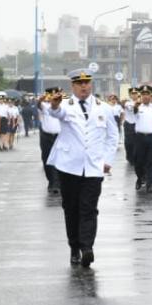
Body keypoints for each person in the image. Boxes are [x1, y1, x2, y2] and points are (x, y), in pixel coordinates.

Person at [44, 69, 120, 267]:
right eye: (80, 83)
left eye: (87, 83)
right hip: (69, 166)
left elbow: (113, 136)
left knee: (89, 208)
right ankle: (74, 247)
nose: (84, 86)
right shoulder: (66, 106)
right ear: (73, 86)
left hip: (94, 167)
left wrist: (108, 160)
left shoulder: (104, 108)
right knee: (71, 208)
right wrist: (54, 104)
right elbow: (56, 113)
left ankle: (87, 247)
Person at [37, 90, 62, 194]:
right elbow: (38, 105)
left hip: (59, 136)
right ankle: (51, 181)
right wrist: (40, 100)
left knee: (59, 159)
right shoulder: (44, 105)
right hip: (46, 136)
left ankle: (57, 183)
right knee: (46, 159)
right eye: (50, 95)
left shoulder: (63, 105)